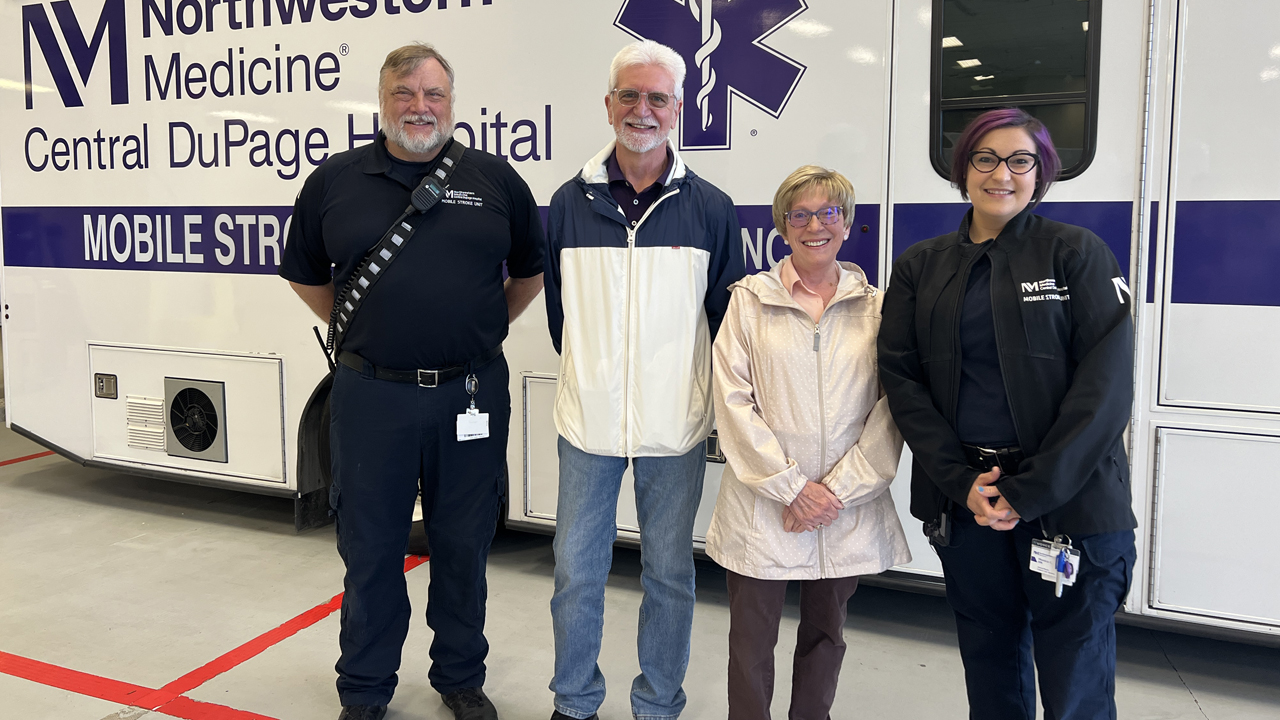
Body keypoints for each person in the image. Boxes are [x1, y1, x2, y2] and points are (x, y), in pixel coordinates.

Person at [279, 43, 545, 720]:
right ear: (383, 99)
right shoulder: (335, 180)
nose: (418, 107)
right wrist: (375, 336)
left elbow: (529, 274)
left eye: (433, 94)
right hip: (371, 396)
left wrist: (473, 334)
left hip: (470, 394)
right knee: (370, 550)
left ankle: (459, 678)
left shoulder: (494, 180)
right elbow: (308, 274)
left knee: (462, 546)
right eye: (404, 93)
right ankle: (365, 689)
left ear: (452, 104)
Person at [878, 108, 1136, 720]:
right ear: (962, 168)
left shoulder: (1077, 253)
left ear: (1041, 172)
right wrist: (961, 483)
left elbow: (1105, 388)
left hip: (1070, 505)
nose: (1002, 173)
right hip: (967, 505)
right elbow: (903, 380)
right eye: (985, 158)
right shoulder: (922, 265)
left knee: (1077, 680)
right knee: (991, 671)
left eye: (1020, 160)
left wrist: (1032, 490)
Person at [542, 39, 745, 720]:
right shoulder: (568, 202)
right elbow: (559, 317)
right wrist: (592, 379)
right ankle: (575, 702)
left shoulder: (711, 208)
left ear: (679, 110)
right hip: (587, 427)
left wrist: (700, 403)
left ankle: (658, 704)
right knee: (576, 573)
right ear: (607, 106)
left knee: (669, 576)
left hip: (675, 429)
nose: (643, 110)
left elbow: (725, 322)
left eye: (658, 97)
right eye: (629, 95)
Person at [706, 165, 909, 720]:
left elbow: (893, 408)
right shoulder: (749, 301)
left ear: (847, 224)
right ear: (782, 226)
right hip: (764, 504)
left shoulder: (878, 308)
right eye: (800, 214)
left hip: (842, 508)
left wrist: (834, 493)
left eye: (828, 212)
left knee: (828, 634)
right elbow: (732, 401)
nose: (814, 225)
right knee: (750, 642)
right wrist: (793, 489)